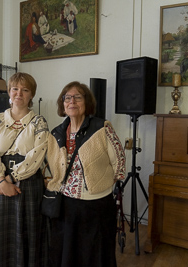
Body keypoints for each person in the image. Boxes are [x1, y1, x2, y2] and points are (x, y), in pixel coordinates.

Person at [46, 81, 126, 267]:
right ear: (62, 104)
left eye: (77, 97)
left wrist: (100, 183)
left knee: (95, 252)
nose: (72, 101)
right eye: (67, 98)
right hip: (66, 204)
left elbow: (119, 162)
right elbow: (53, 165)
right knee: (68, 252)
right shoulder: (56, 133)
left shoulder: (101, 128)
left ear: (86, 103)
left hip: (96, 205)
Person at [0, 72, 49, 267]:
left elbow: (37, 155)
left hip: (28, 183)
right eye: (15, 89)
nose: (19, 93)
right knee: (0, 230)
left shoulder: (39, 122)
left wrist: (11, 180)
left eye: (25, 90)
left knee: (27, 230)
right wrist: (0, 180)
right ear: (9, 92)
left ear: (31, 95)